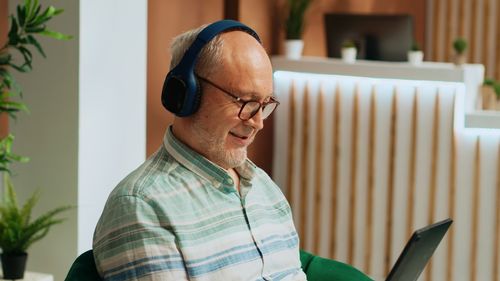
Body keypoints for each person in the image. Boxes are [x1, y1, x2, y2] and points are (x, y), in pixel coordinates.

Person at [92, 20, 306, 280]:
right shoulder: (142, 207)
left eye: (265, 103)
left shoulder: (264, 188)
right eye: (246, 101)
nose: (258, 122)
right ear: (186, 93)